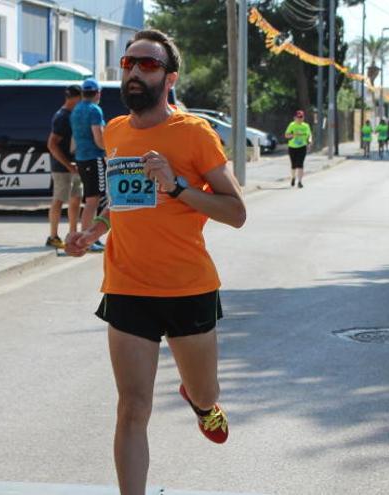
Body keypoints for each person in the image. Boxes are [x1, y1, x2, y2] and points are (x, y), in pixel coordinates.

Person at [64, 29, 246, 495]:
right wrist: (93, 230)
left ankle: (201, 403)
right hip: (127, 287)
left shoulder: (194, 133)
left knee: (207, 392)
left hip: (188, 289)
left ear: (169, 77)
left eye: (147, 64)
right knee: (132, 407)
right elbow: (122, 203)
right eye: (129, 63)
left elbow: (236, 212)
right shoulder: (117, 131)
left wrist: (178, 187)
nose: (135, 72)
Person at [70, 78, 107, 252]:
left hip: (81, 157)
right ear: (98, 93)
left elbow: (74, 140)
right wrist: (108, 151)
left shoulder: (76, 110)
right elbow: (99, 138)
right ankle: (89, 237)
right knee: (94, 199)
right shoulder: (94, 110)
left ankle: (87, 235)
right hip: (94, 157)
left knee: (89, 198)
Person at [45, 84, 83, 249]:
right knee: (59, 200)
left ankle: (72, 233)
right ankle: (53, 236)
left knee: (76, 199)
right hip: (62, 167)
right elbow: (52, 144)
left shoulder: (72, 114)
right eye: (80, 98)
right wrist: (67, 165)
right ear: (75, 98)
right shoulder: (62, 116)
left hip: (74, 165)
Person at [284, 110, 312, 188]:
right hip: (292, 147)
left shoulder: (306, 126)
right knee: (293, 165)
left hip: (302, 147)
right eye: (298, 117)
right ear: (295, 118)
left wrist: (309, 142)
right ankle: (293, 177)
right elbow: (286, 135)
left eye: (301, 117)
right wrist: (293, 135)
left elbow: (309, 135)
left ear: (303, 118)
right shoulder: (292, 125)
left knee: (300, 164)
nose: (300, 119)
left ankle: (300, 182)